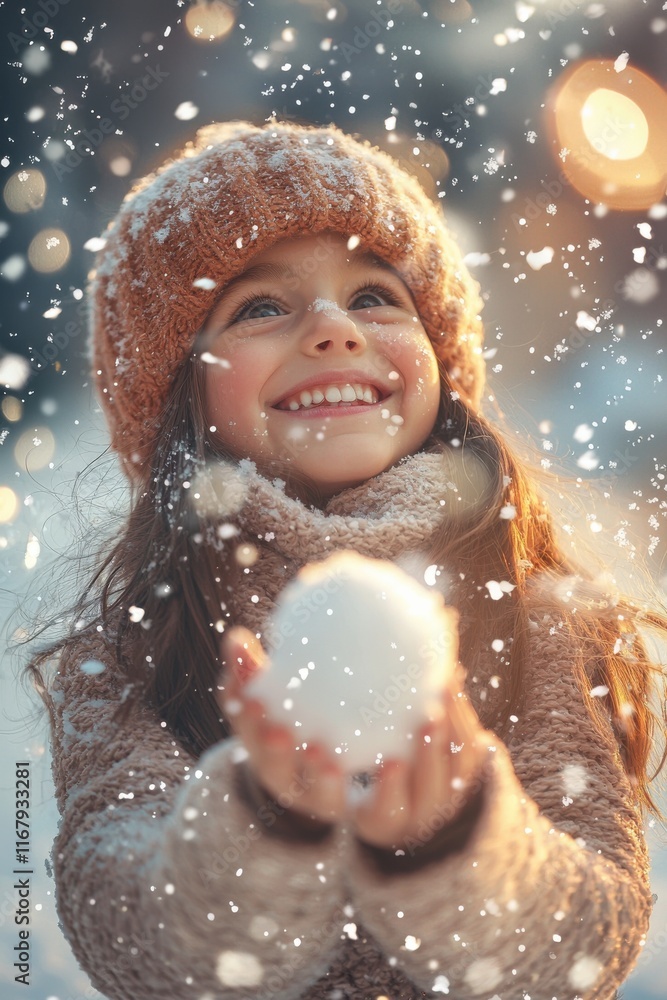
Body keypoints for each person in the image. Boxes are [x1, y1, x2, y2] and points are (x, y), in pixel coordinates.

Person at [29, 120, 666, 1000]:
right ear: (179, 394)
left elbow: (590, 943)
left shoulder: (541, 617)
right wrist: (262, 823)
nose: (332, 327)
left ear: (438, 359)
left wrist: (452, 841)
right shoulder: (133, 650)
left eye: (374, 295)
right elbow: (127, 929)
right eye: (259, 307)